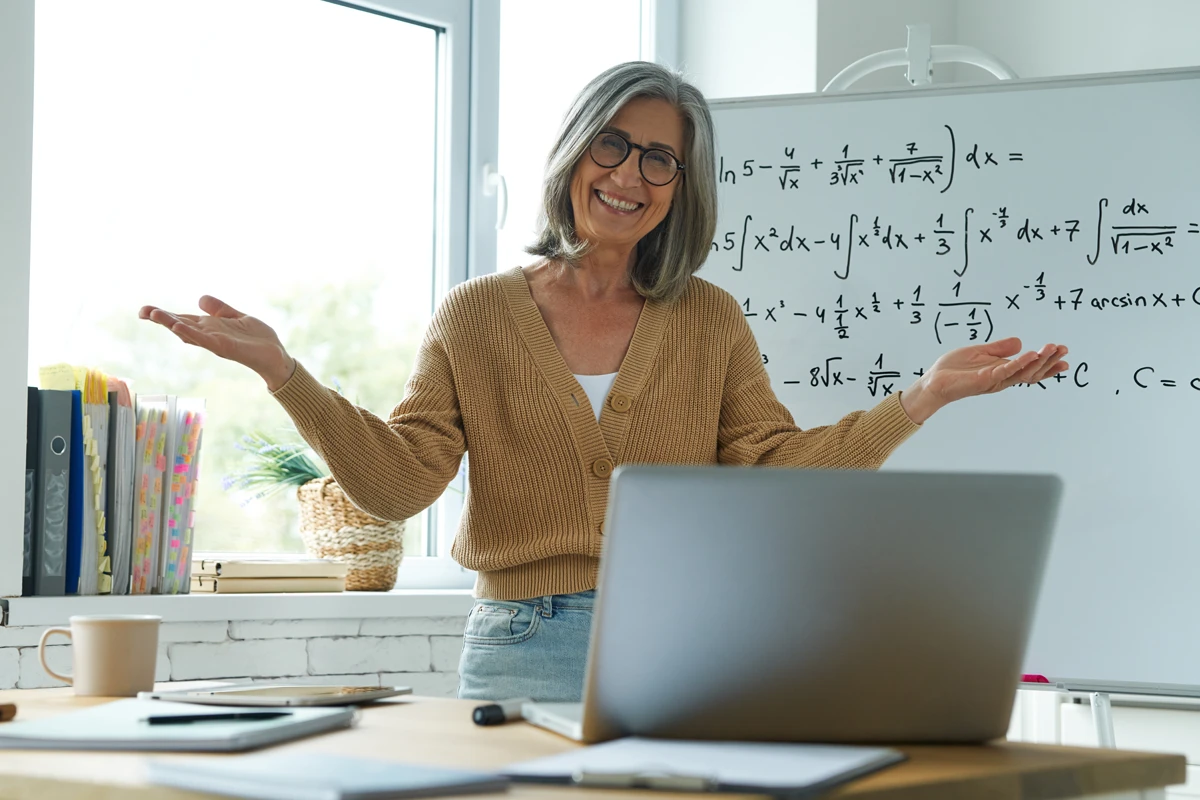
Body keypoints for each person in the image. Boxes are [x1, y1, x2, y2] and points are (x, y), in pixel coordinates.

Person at [140, 61, 1068, 703]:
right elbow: (400, 482)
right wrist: (283, 373)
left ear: (681, 183)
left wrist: (923, 398)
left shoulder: (710, 319)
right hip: (519, 647)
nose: (631, 174)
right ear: (577, 150)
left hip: (687, 645)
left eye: (660, 158)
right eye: (613, 145)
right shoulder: (476, 313)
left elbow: (777, 469)